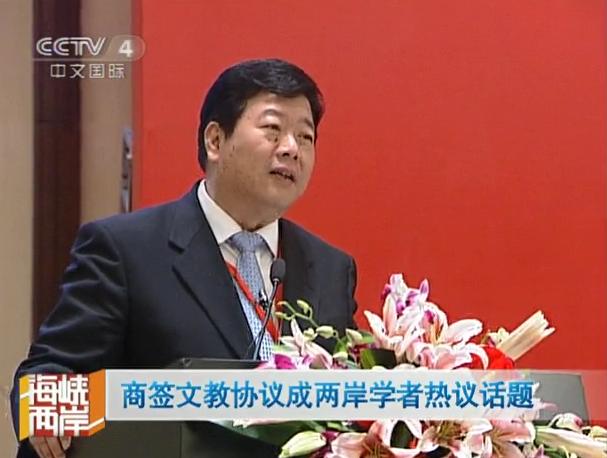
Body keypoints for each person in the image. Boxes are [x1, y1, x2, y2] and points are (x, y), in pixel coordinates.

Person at [12, 58, 358, 458]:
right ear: (215, 141)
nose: (291, 149)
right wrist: (47, 411)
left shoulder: (331, 268)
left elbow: (348, 403)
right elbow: (49, 373)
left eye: (306, 136)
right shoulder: (125, 250)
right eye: (272, 129)